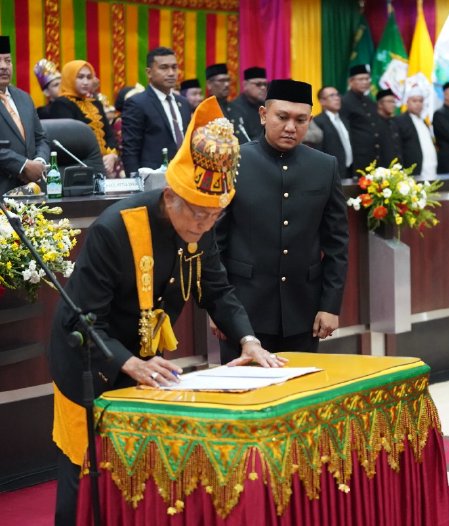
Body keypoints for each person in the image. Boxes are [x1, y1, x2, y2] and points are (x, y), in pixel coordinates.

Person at [49, 96, 286, 526]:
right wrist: (128, 363)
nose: (204, 225)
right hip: (93, 361)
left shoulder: (202, 224)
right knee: (86, 473)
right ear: (170, 195)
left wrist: (248, 339)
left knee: (140, 471)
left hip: (146, 362)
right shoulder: (114, 229)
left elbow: (217, 290)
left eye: (215, 216)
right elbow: (81, 319)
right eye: (197, 213)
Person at [215, 79, 349, 361]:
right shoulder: (234, 161)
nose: (291, 127)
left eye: (301, 120)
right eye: (282, 117)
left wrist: (330, 305)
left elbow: (337, 243)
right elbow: (215, 244)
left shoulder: (324, 166)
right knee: (245, 397)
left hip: (304, 310)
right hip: (244, 310)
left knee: (301, 397)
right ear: (264, 115)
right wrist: (219, 310)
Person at [121, 47, 191, 177]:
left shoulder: (184, 103)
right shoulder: (137, 103)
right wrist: (134, 181)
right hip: (153, 178)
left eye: (174, 67)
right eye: (164, 68)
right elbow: (130, 149)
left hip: (185, 174)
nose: (171, 73)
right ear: (149, 72)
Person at [49, 60, 120, 178]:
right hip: (79, 167)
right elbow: (70, 141)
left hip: (105, 166)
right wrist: (96, 161)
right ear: (69, 78)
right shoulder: (61, 104)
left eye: (89, 77)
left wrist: (112, 156)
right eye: (80, 77)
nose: (86, 82)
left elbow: (109, 135)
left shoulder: (96, 104)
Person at [0, 36, 50, 194]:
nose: (3, 67)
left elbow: (40, 139)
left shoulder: (24, 98)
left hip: (32, 190)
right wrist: (23, 165)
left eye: (8, 61)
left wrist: (38, 162)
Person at [341, 64, 385, 174]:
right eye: (360, 79)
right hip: (358, 158)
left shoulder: (369, 101)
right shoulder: (344, 102)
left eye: (367, 79)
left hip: (374, 157)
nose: (365, 82)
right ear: (350, 82)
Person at [307, 85, 353, 178]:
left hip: (349, 171)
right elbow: (318, 152)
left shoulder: (345, 120)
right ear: (322, 101)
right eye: (332, 96)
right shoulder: (317, 121)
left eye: (337, 95)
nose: (337, 98)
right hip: (331, 173)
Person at [394, 86, 437, 178]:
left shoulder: (424, 122)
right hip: (412, 173)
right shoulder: (400, 121)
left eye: (420, 101)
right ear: (407, 102)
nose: (418, 104)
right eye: (414, 101)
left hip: (430, 171)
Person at [205, 63, 249, 145]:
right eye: (221, 81)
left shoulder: (237, 108)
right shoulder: (205, 110)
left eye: (228, 80)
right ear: (209, 84)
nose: (227, 84)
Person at [230, 66, 267, 141]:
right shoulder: (235, 108)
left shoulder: (266, 106)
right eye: (258, 84)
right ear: (245, 85)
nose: (263, 88)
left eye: (265, 84)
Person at [375, 88, 402, 167]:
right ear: (380, 104)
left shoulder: (395, 123)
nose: (393, 105)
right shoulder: (374, 124)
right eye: (389, 101)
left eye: (394, 102)